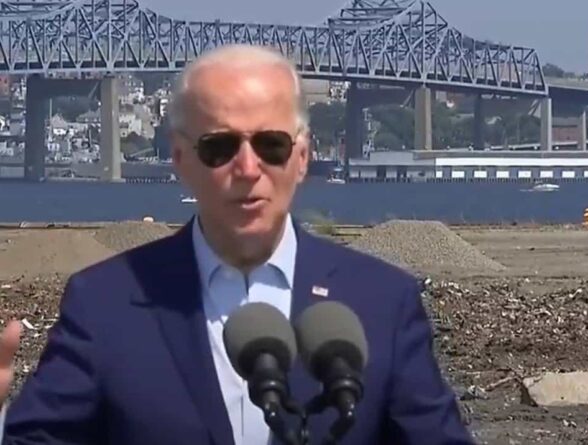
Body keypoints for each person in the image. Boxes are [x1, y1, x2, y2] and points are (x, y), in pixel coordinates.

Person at [0, 44, 473, 444]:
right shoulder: (103, 303)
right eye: (220, 148)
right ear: (181, 160)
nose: (247, 169)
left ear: (303, 159)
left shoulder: (383, 303)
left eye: (271, 146)